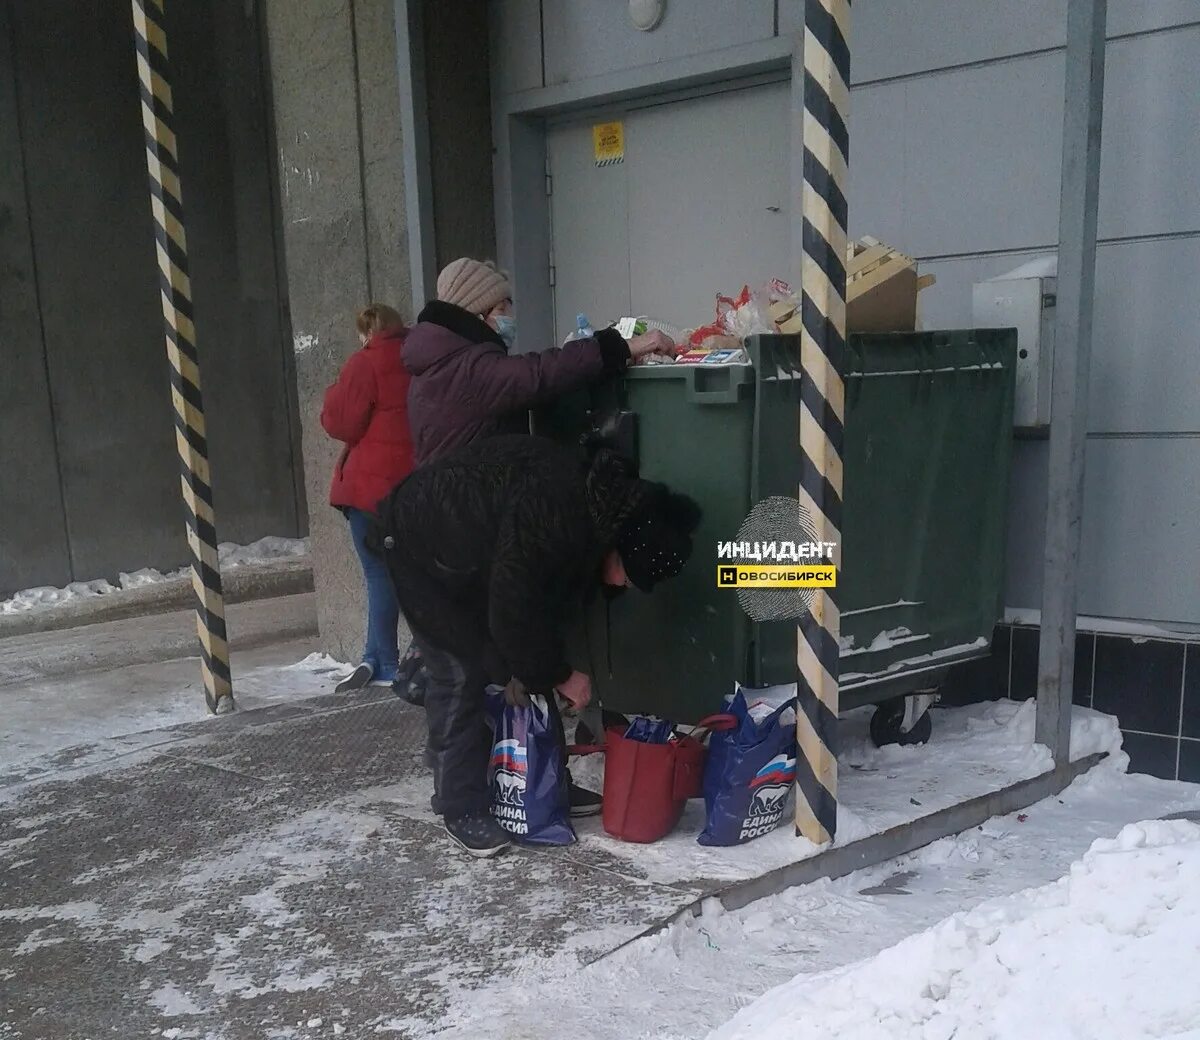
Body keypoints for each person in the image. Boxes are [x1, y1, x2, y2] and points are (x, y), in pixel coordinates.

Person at [371, 435, 702, 857]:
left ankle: (543, 782)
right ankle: (459, 805)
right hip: (418, 546)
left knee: (522, 657)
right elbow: (513, 610)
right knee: (459, 671)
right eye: (629, 578)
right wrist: (559, 675)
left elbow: (534, 614)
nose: (623, 587)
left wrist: (542, 669)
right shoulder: (559, 515)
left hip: (472, 555)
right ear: (621, 549)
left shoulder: (599, 506)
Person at [402, 257, 676, 465]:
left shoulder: (439, 361)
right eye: (501, 308)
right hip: (469, 517)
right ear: (477, 316)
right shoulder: (466, 369)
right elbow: (538, 373)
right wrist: (623, 346)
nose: (510, 317)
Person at [321, 304, 413, 692]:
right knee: (396, 572)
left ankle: (384, 661)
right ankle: (372, 657)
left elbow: (339, 422)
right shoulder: (414, 357)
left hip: (369, 487)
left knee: (378, 572)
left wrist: (333, 391)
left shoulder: (365, 363)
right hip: (409, 485)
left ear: (369, 334)